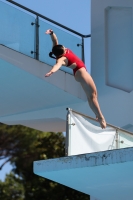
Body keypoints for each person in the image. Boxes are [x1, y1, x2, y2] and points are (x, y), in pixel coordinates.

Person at [45, 29, 106, 129]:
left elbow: (54, 40)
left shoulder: (56, 49)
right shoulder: (61, 59)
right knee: (94, 95)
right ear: (61, 54)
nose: (65, 49)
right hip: (81, 72)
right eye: (64, 50)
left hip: (79, 73)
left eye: (64, 48)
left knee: (90, 97)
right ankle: (100, 117)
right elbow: (57, 65)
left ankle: (98, 115)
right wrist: (51, 72)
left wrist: (51, 33)